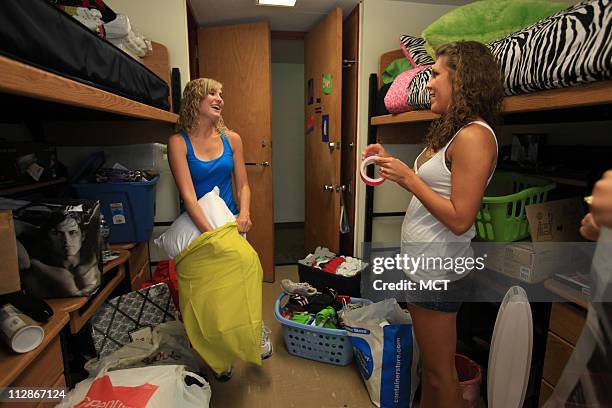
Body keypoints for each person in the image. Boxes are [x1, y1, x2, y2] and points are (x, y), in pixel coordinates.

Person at [363, 41, 504, 408]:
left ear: (462, 81)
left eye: (436, 74)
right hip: (423, 266)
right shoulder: (453, 132)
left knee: (442, 376)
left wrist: (409, 178)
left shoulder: (475, 136)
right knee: (430, 372)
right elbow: (434, 189)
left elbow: (460, 218)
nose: (427, 83)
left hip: (437, 271)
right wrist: (391, 162)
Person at [167, 78, 271, 380]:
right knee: (205, 295)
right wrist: (210, 234)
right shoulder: (178, 142)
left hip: (231, 222)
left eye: (221, 94)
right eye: (212, 93)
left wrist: (245, 214)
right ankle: (217, 355)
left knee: (243, 275)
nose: (219, 98)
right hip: (199, 226)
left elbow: (243, 184)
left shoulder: (232, 139)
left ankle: (253, 331)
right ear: (194, 99)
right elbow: (187, 195)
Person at [17, 211, 100, 297]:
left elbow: (97, 217)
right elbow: (7, 227)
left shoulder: (91, 255)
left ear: (82, 235)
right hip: (57, 309)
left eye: (72, 232)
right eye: (57, 233)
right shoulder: (32, 266)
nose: (66, 240)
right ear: (47, 237)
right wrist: (35, 231)